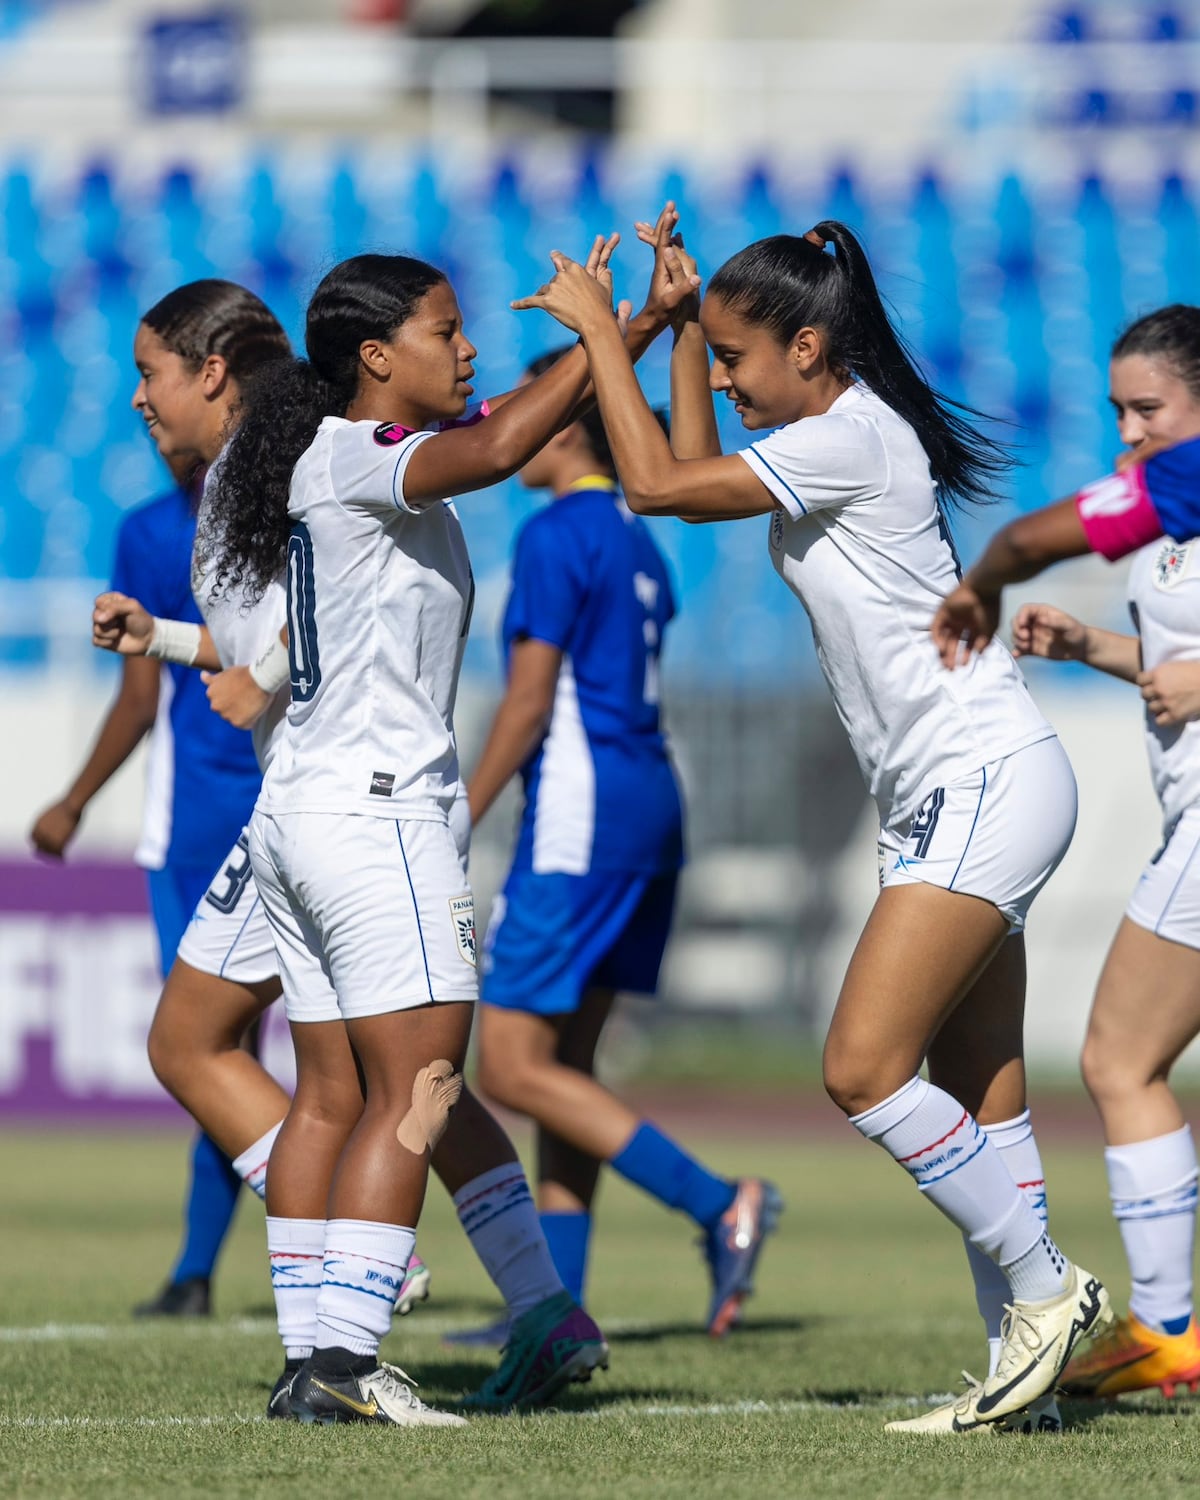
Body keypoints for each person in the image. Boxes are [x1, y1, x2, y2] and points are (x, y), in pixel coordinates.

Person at [511, 214, 1112, 1433]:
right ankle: (1026, 1380)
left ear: (811, 342)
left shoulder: (850, 436)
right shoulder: (824, 429)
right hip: (970, 780)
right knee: (979, 1094)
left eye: (736, 360)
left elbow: (650, 485)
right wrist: (679, 334)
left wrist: (601, 339)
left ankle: (1052, 1293)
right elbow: (684, 485)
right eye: (715, 360)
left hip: (981, 774)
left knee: (860, 1069)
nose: (726, 385)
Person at [90, 246, 677, 1416]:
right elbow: (507, 443)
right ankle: (349, 1362)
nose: (466, 350)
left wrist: (639, 328)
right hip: (375, 812)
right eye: (445, 329)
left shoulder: (305, 464)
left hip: (301, 814)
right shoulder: (357, 455)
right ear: (373, 357)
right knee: (419, 1089)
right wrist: (613, 335)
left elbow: (488, 440)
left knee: (325, 1094)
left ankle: (325, 1347)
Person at [459, 344, 779, 1347]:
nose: (503, 417)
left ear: (565, 424)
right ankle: (554, 1311)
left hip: (582, 812)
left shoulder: (556, 536)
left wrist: (453, 812)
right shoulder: (641, 540)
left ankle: (718, 1199)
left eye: (524, 401)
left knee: (508, 1067)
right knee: (567, 1070)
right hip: (648, 802)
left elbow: (526, 704)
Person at [1004, 307, 1200, 1400]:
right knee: (1126, 1066)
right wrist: (1091, 647)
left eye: (1150, 409)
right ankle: (1171, 1332)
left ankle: (1170, 1334)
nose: (1128, 430)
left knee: (1119, 1061)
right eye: (1118, 409)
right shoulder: (1169, 508)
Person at [30, 436, 262, 1321]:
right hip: (296, 806)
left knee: (202, 1051)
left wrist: (75, 801)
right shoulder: (282, 507)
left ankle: (315, 1243)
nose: (138, 404)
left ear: (210, 377)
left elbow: (139, 699)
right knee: (314, 1053)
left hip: (201, 825)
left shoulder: (165, 530)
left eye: (150, 376)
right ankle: (210, 1267)